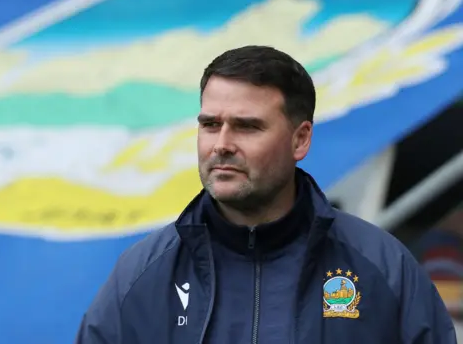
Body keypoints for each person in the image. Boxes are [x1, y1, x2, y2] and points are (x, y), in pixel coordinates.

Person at [75, 46, 457, 344]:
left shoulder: (381, 266)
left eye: (246, 127)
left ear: (300, 139)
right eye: (210, 125)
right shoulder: (144, 273)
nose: (221, 145)